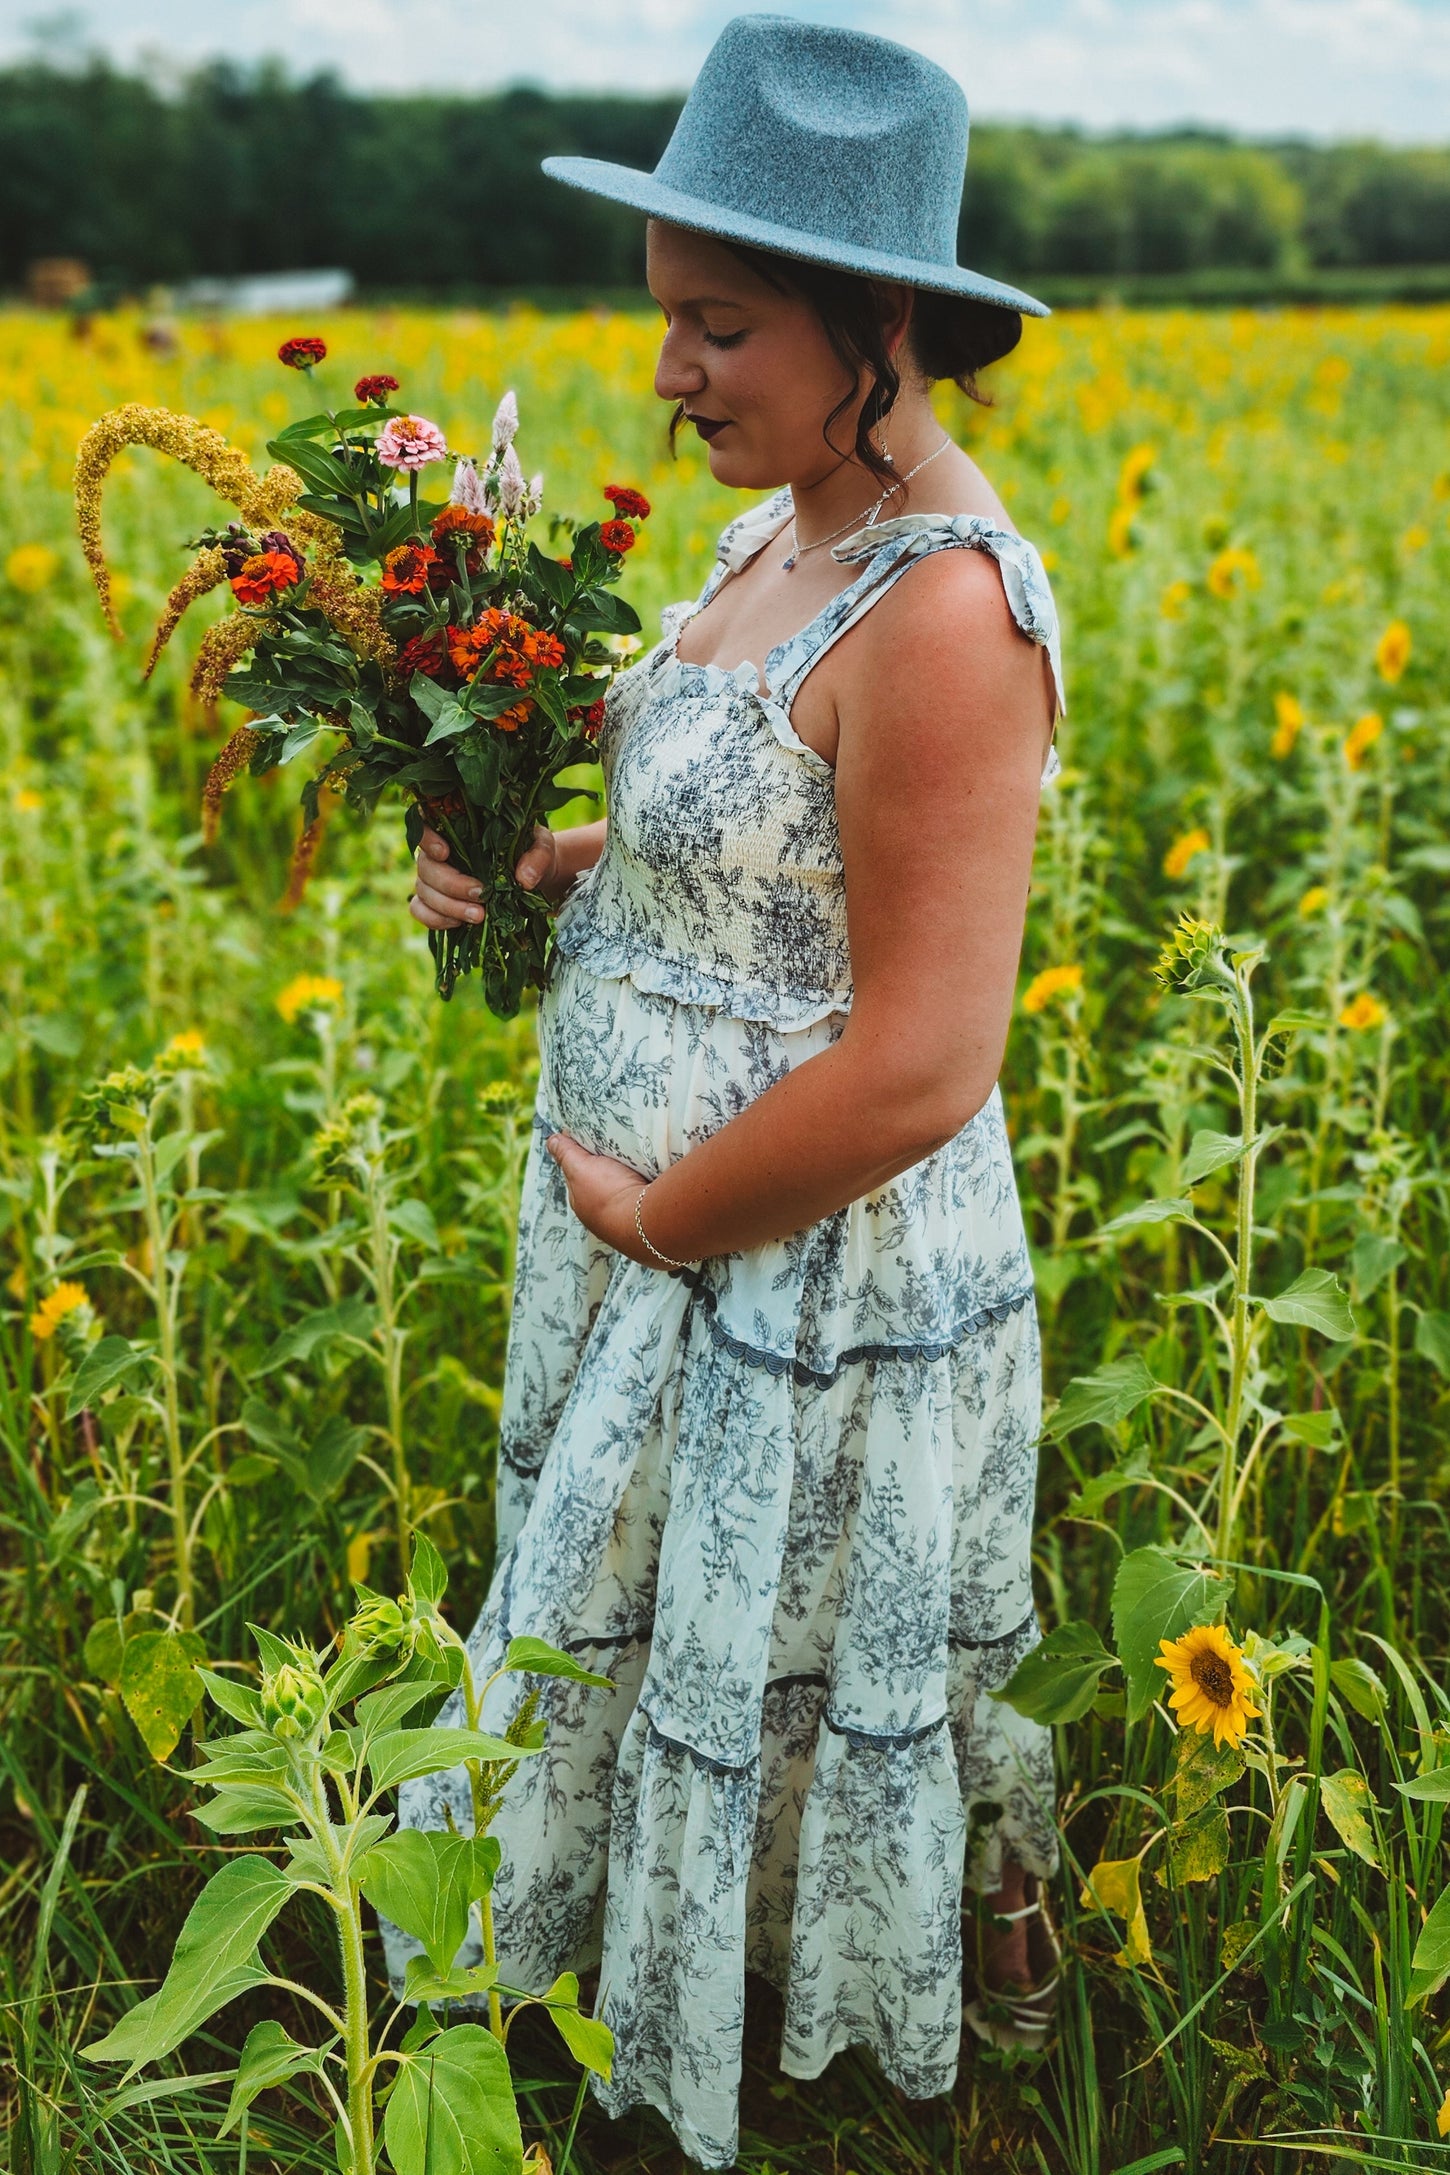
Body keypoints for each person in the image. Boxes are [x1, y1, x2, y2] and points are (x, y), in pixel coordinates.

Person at [395, 16, 1063, 2167]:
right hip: (671, 1245)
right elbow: (756, 825)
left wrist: (663, 1219)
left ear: (878, 327)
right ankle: (665, 1980)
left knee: (763, 1643)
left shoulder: (942, 608)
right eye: (663, 317)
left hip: (784, 1264)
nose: (666, 373)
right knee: (689, 1621)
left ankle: (784, 2056)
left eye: (718, 326)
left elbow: (920, 1057)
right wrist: (552, 856)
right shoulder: (785, 522)